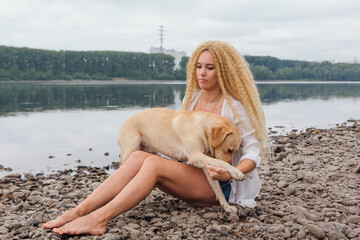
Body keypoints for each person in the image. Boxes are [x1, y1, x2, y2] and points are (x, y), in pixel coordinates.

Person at [42, 40, 270, 236]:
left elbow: (252, 153)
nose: (202, 73)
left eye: (210, 68)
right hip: (197, 176)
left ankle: (99, 218)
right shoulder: (193, 100)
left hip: (225, 186)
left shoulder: (235, 108)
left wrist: (231, 170)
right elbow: (185, 148)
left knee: (152, 163)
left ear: (223, 71)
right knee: (139, 156)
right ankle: (80, 210)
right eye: (199, 66)